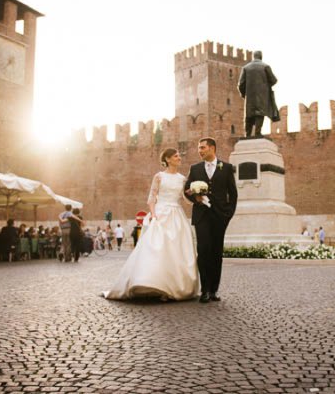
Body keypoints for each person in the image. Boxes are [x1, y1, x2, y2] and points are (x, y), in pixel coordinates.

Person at [104, 148, 199, 301]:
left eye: (179, 155)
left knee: (176, 250)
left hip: (177, 215)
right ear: (168, 159)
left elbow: (186, 199)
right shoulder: (159, 176)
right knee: (157, 249)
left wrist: (197, 196)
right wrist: (154, 215)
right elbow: (151, 198)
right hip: (161, 213)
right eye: (176, 156)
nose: (179, 158)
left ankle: (173, 286)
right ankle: (152, 282)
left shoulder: (182, 179)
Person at [184, 137, 238, 303]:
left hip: (220, 216)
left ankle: (214, 290)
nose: (200, 151)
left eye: (203, 148)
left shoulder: (226, 168)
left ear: (212, 148)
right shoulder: (195, 169)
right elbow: (186, 190)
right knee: (203, 250)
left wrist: (227, 215)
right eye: (199, 148)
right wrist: (196, 199)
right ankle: (205, 289)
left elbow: (233, 194)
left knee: (216, 252)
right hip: (201, 217)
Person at [237, 50, 280, 138]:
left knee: (248, 115)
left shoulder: (246, 67)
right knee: (260, 113)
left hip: (250, 95)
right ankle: (257, 133)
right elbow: (274, 80)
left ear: (254, 56)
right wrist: (265, 85)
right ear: (261, 56)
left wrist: (244, 94)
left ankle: (247, 134)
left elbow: (240, 84)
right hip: (262, 95)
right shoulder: (265, 66)